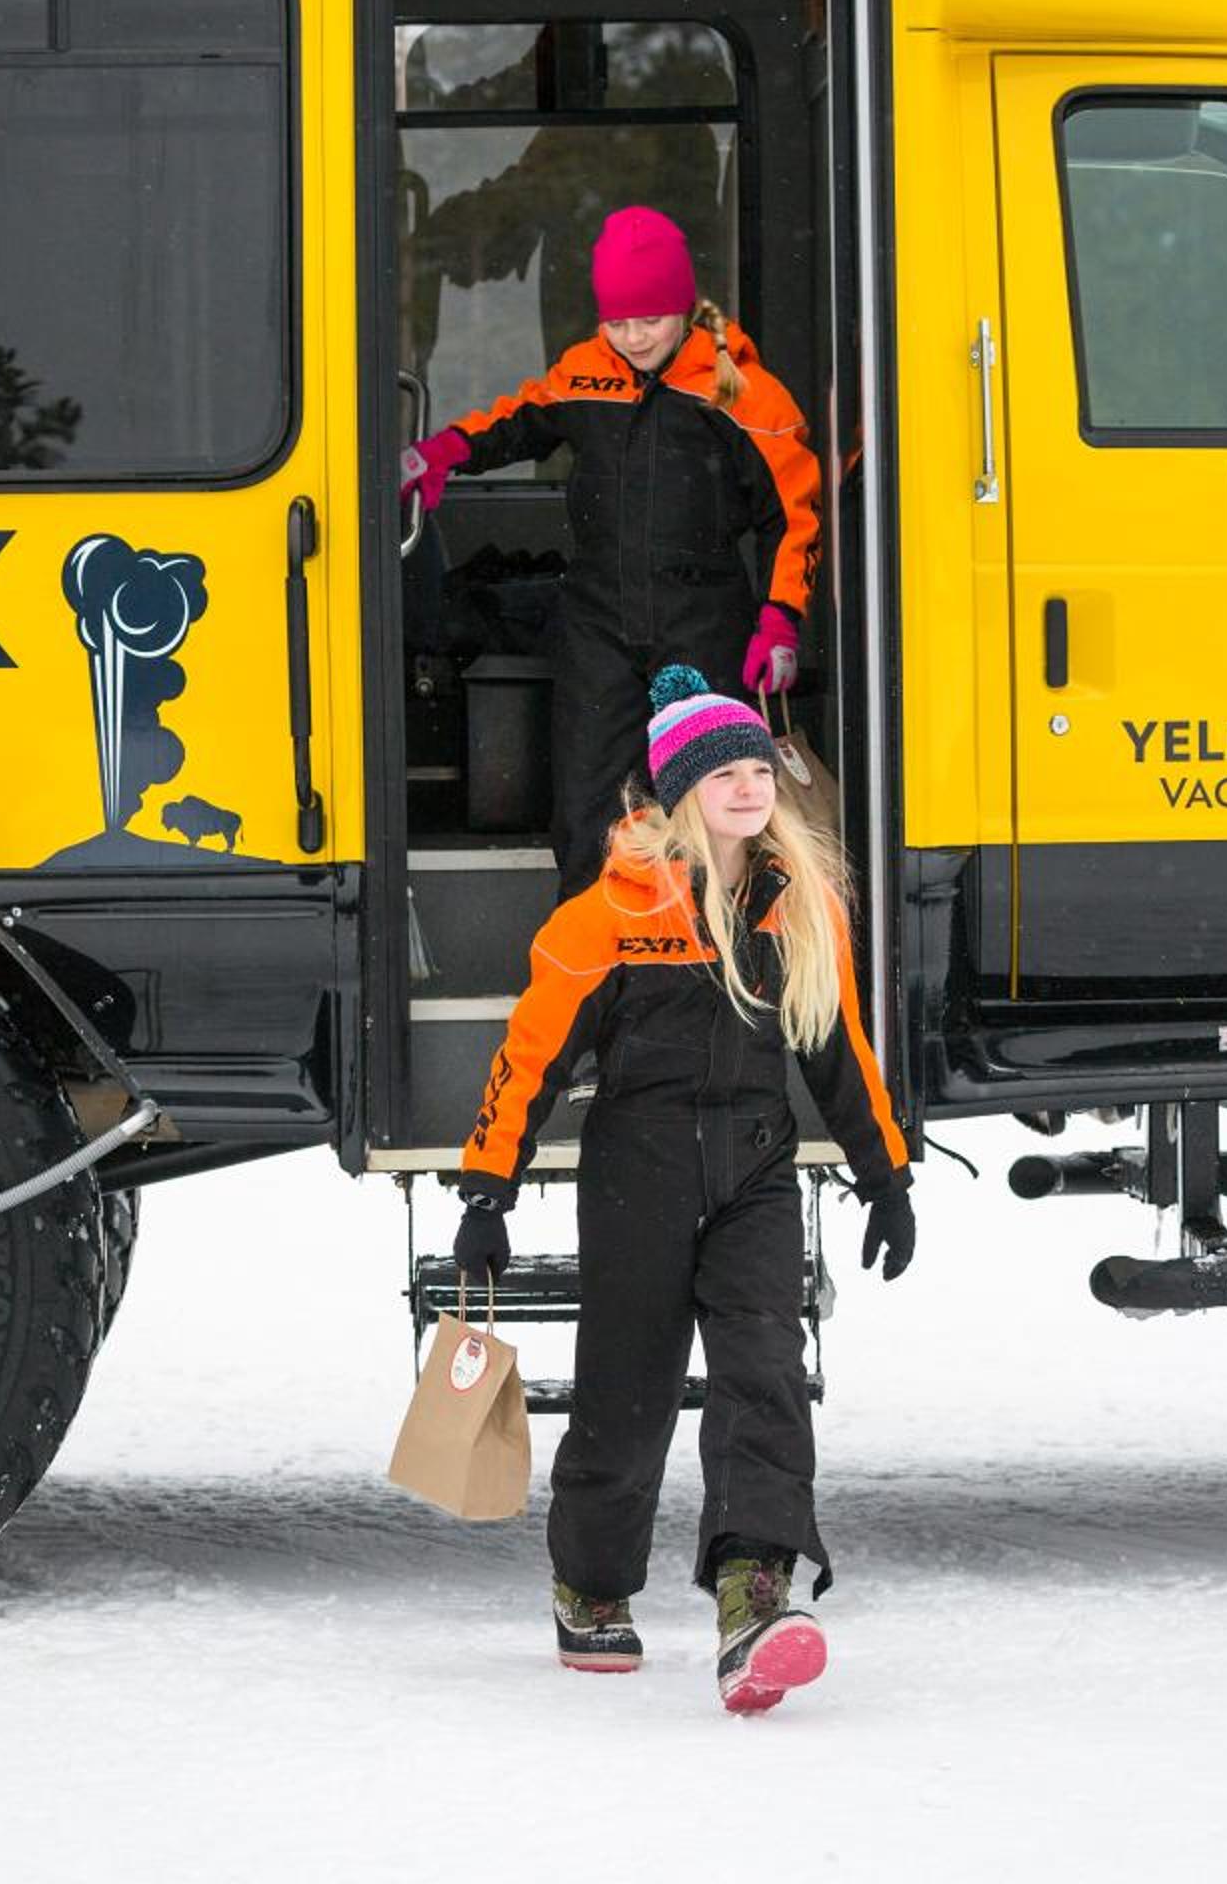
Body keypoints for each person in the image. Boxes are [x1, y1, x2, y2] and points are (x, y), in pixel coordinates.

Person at [452, 664, 917, 1714]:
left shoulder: (796, 903)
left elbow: (841, 1049)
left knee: (764, 1371)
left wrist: (885, 1172)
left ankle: (755, 1596)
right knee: (630, 1390)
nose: (753, 787)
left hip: (756, 1165)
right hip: (639, 1168)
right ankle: (593, 1581)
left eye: (762, 768)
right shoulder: (606, 914)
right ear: (680, 792)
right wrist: (489, 1191)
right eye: (727, 772)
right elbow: (529, 1054)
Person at [403, 207, 820, 897]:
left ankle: (708, 950)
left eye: (649, 321)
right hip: (597, 616)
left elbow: (794, 516)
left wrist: (779, 622)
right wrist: (449, 450)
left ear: (682, 309)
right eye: (618, 323)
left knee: (704, 795)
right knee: (590, 794)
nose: (633, 338)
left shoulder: (739, 391)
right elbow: (520, 420)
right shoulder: (585, 373)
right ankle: (594, 952)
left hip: (702, 616)